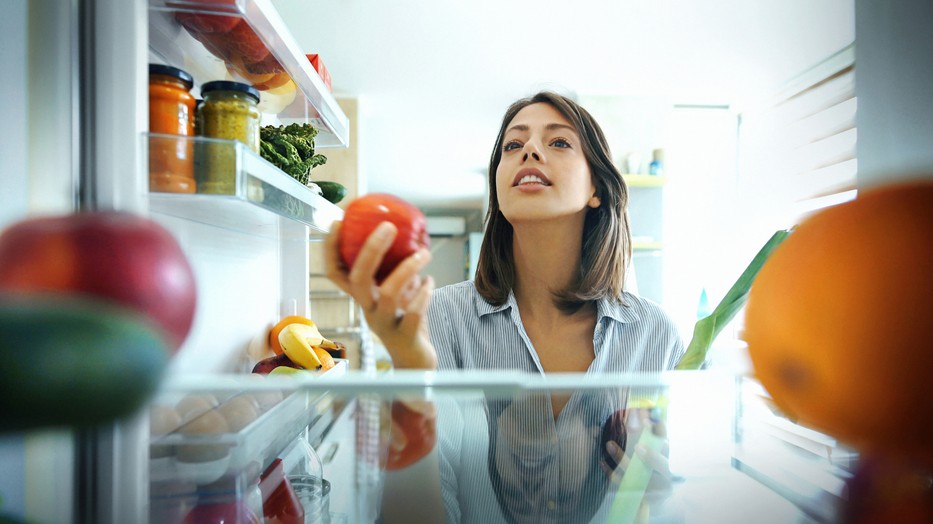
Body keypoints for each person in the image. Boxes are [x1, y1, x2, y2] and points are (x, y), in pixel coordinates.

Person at [324, 91, 685, 523]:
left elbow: (682, 497)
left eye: (559, 142)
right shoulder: (439, 318)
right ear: (498, 185)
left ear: (597, 189)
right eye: (513, 145)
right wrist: (409, 366)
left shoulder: (656, 333)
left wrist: (664, 497)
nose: (530, 149)